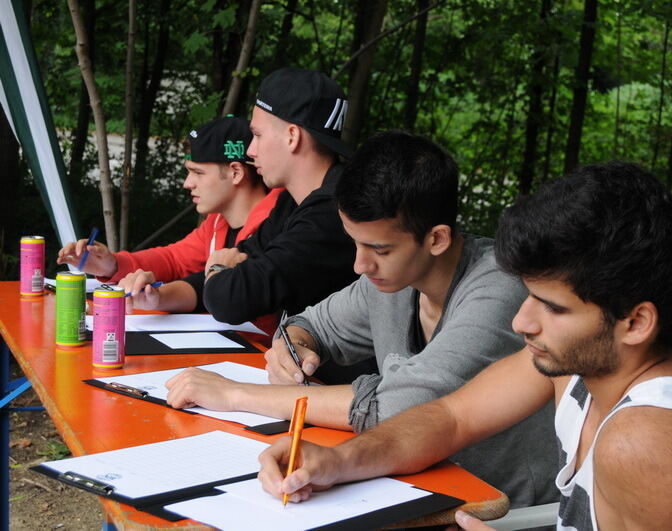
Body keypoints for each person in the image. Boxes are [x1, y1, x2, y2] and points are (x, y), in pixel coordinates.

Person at [257, 162, 672, 530]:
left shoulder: (645, 442)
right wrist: (338, 462)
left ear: (636, 321)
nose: (522, 320)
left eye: (553, 307)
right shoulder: (583, 363)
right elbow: (451, 418)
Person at [163, 131, 559, 508]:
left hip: (494, 506)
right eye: (354, 242)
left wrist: (234, 394)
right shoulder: (395, 278)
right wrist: (294, 342)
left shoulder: (500, 290)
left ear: (436, 238)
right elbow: (312, 324)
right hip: (402, 483)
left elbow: (401, 407)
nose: (359, 263)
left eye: (378, 249)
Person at [117, 68, 358, 341]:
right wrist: (158, 298)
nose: (251, 151)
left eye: (257, 135)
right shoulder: (292, 201)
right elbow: (227, 276)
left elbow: (231, 299)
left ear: (292, 136)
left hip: (332, 380)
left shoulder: (334, 211)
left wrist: (217, 269)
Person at [57, 115, 280, 286]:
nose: (187, 183)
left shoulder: (280, 223)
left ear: (236, 173)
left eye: (198, 173)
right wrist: (112, 264)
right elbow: (174, 259)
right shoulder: (217, 222)